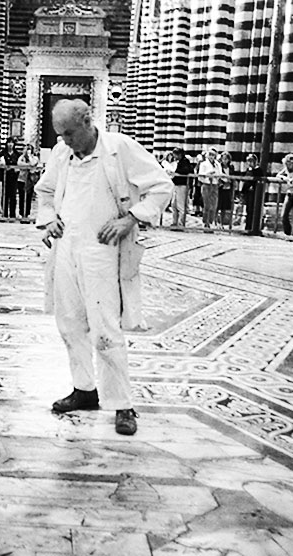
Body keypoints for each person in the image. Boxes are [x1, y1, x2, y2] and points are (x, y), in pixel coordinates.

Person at [34, 99, 171, 436]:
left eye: (69, 133)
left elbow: (161, 187)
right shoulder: (61, 153)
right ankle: (84, 389)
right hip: (67, 248)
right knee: (69, 323)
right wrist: (49, 219)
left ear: (87, 121)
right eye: (60, 135)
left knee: (106, 328)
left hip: (103, 253)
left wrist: (131, 219)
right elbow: (46, 192)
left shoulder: (120, 148)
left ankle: (122, 404)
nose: (64, 140)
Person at [198, 149, 221, 230]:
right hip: (206, 184)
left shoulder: (217, 164)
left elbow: (219, 174)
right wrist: (207, 174)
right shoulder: (203, 164)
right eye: (210, 154)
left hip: (215, 184)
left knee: (214, 204)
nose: (211, 156)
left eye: (213, 155)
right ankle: (206, 222)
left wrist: (217, 176)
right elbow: (200, 176)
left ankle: (211, 222)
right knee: (207, 204)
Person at [16, 143, 39, 219]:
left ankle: (27, 212)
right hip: (21, 179)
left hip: (30, 180)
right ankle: (21, 212)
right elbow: (19, 164)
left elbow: (33, 163)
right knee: (21, 196)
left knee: (29, 197)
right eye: (26, 149)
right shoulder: (21, 157)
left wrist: (29, 158)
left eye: (29, 149)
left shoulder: (35, 158)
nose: (28, 150)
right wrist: (27, 165)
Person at [241, 153, 262, 232]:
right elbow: (246, 181)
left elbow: (259, 180)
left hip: (255, 192)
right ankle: (248, 226)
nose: (249, 163)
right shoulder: (248, 170)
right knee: (248, 209)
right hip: (248, 192)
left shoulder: (258, 170)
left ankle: (253, 227)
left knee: (253, 209)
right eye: (248, 161)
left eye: (251, 161)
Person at [2, 138, 20, 218]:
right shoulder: (3, 153)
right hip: (5, 176)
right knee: (5, 195)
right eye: (9, 143)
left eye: (12, 143)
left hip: (14, 177)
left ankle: (12, 214)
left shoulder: (17, 154)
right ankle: (4, 213)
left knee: (13, 196)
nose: (10, 144)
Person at [217, 151, 235, 227]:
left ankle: (222, 222)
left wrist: (231, 181)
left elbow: (233, 175)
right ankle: (215, 222)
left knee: (224, 207)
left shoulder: (231, 167)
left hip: (228, 188)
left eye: (226, 159)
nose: (225, 161)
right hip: (220, 188)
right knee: (218, 206)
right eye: (223, 159)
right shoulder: (219, 166)